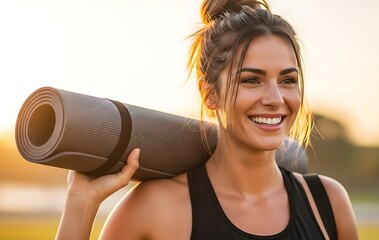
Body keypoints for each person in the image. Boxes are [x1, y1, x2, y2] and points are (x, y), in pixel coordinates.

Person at [56, 0, 358, 239]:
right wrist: (80, 204)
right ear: (209, 93)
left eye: (288, 80)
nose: (276, 98)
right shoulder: (157, 208)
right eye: (251, 80)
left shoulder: (328, 204)